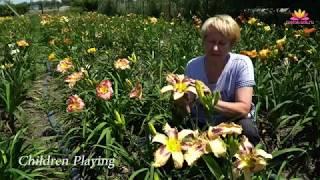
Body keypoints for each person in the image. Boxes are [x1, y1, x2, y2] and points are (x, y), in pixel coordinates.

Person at [176, 14, 260, 145]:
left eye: (222, 43)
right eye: (211, 42)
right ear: (204, 41)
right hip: (202, 122)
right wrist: (182, 100)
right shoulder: (193, 65)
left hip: (232, 121)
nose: (215, 48)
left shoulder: (241, 63)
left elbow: (244, 108)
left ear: (231, 44)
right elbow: (188, 108)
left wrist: (209, 100)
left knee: (248, 131)